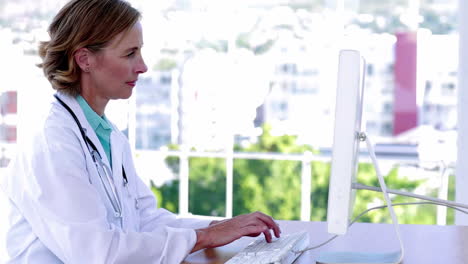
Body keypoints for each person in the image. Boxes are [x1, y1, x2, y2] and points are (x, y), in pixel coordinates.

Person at [0, 0, 281, 263]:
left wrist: (221, 227)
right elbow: (97, 253)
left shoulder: (106, 134)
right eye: (130, 53)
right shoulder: (53, 143)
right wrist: (205, 237)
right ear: (85, 59)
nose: (143, 67)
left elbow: (144, 219)